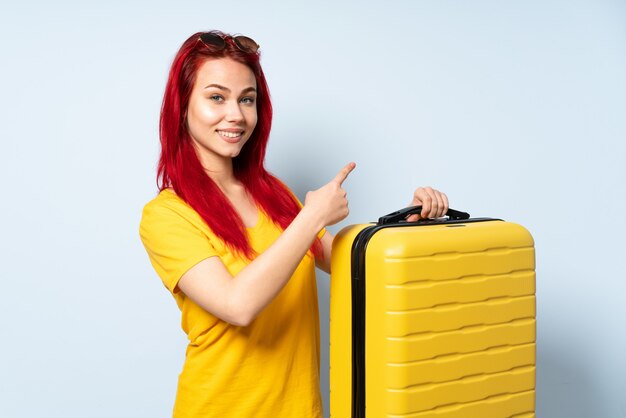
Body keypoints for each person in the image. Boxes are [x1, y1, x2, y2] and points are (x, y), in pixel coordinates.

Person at [139, 30, 449, 418]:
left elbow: (345, 261)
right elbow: (237, 305)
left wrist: (406, 223)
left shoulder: (273, 193)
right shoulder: (167, 215)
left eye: (246, 99)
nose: (236, 114)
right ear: (182, 105)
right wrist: (313, 215)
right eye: (216, 97)